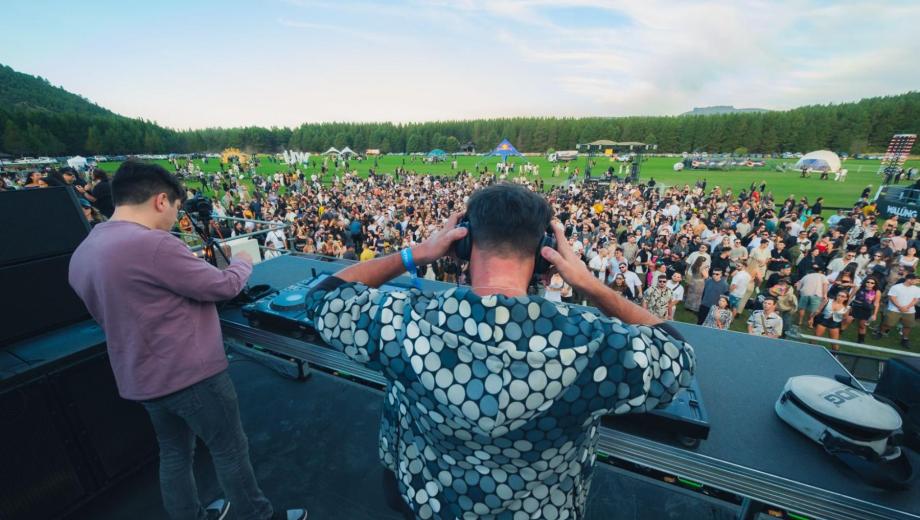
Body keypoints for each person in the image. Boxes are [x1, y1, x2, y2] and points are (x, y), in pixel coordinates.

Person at [303, 183, 694, 519]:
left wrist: (417, 255)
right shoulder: (591, 343)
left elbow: (323, 297)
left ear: (464, 242)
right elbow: (677, 356)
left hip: (429, 502)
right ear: (547, 253)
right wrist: (589, 284)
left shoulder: (404, 322)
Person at [68, 162, 307, 520]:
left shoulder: (84, 250)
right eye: (177, 209)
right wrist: (242, 261)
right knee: (229, 449)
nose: (175, 219)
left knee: (175, 453)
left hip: (140, 377)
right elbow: (224, 285)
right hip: (191, 375)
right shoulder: (153, 244)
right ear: (161, 201)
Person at [876, 273, 920, 348]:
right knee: (888, 324)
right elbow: (892, 297)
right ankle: (881, 332)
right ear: (909, 279)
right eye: (917, 280)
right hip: (894, 310)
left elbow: (916, 299)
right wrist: (899, 307)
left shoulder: (917, 289)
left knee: (908, 326)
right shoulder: (896, 287)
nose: (918, 282)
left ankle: (905, 339)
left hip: (909, 311)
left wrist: (907, 307)